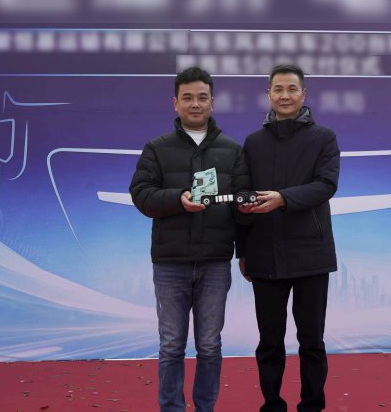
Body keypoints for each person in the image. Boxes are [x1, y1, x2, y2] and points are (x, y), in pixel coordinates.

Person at [129, 66, 250, 412]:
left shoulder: (233, 150)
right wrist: (177, 199)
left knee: (210, 345)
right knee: (171, 346)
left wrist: (245, 246)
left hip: (215, 262)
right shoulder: (156, 149)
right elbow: (141, 194)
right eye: (187, 98)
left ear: (212, 102)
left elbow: (242, 206)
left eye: (202, 97)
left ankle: (205, 408)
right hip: (170, 263)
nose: (195, 104)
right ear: (175, 103)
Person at [237, 64, 340, 412]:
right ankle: (272, 405)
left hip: (311, 254)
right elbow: (244, 196)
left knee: (311, 340)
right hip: (264, 252)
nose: (285, 95)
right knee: (269, 341)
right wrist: (242, 250)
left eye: (292, 89)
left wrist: (283, 198)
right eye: (278, 89)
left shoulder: (324, 138)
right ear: (268, 94)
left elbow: (326, 185)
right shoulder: (253, 143)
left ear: (303, 94)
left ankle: (312, 405)